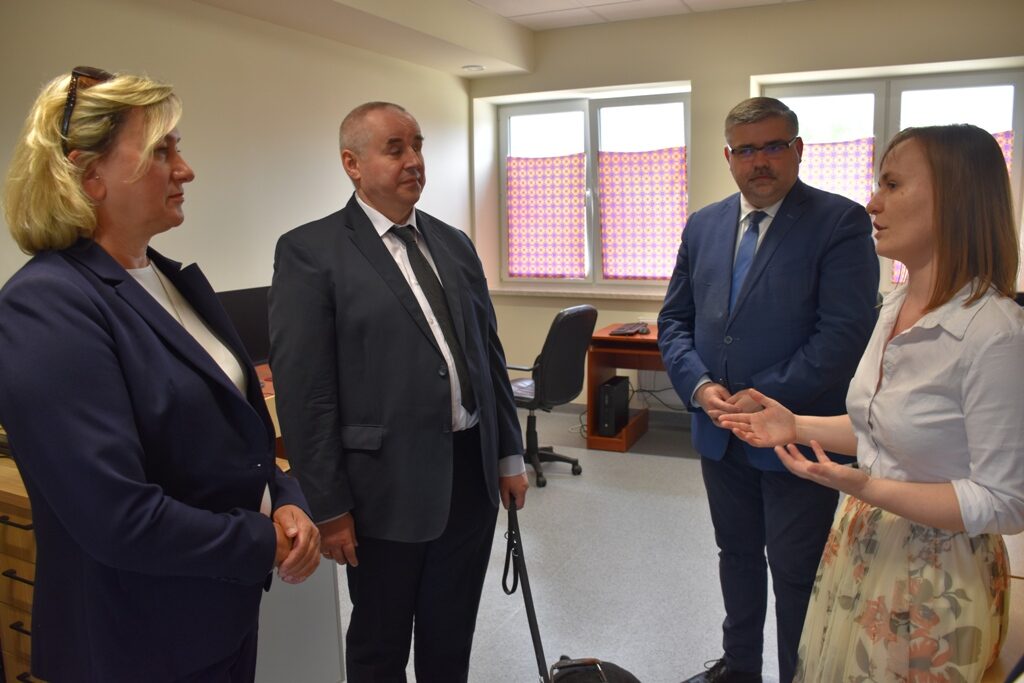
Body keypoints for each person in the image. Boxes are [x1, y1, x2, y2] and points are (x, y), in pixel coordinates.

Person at [0, 67, 320, 683]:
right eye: (160, 151)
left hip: (217, 617)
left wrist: (288, 498)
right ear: (88, 174)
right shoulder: (46, 304)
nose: (186, 169)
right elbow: (116, 516)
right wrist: (262, 542)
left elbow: (242, 435)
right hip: (134, 642)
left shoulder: (170, 279)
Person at [720, 124, 1023, 682]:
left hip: (935, 576)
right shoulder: (897, 304)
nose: (872, 203)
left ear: (954, 197)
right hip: (864, 544)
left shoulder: (994, 333)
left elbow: (1005, 502)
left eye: (892, 184)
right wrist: (794, 424)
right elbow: (880, 427)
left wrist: (864, 485)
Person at [269, 101, 529, 683]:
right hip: (381, 490)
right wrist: (328, 506)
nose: (413, 160)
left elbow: (487, 355)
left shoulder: (454, 243)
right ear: (352, 164)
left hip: (469, 476)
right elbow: (305, 394)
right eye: (395, 149)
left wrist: (509, 455)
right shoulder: (311, 252)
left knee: (451, 633)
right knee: (380, 643)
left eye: (417, 146)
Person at [658, 97, 879, 683]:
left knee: (795, 570)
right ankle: (740, 669)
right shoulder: (703, 224)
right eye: (746, 150)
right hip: (719, 433)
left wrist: (762, 395)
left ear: (798, 150)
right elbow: (674, 320)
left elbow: (842, 336)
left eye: (774, 146)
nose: (760, 161)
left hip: (798, 440)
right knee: (736, 556)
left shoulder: (840, 222)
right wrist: (700, 385)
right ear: (729, 156)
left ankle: (795, 675)